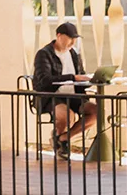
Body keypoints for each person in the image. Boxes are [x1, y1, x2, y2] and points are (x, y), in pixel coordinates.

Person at [33, 21, 99, 159]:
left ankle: (62, 138)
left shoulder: (74, 54)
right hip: (50, 96)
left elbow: (79, 76)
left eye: (74, 39)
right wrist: (73, 77)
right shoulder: (44, 54)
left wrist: (92, 79)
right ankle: (61, 144)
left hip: (74, 95)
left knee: (96, 112)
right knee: (67, 115)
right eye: (70, 38)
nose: (72, 42)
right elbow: (45, 81)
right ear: (59, 36)